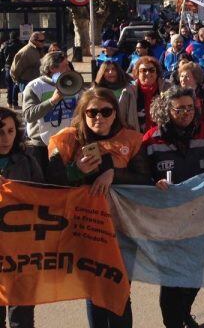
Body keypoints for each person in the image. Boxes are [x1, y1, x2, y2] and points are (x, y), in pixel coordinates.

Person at [48, 88, 148, 327]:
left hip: (122, 229)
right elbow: (50, 184)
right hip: (83, 228)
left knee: (120, 290)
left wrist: (115, 174)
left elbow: (145, 178)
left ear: (115, 113)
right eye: (92, 112)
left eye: (106, 111)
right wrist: (76, 171)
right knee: (94, 291)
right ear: (82, 114)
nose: (99, 118)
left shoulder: (131, 139)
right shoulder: (66, 139)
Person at [142, 86, 204, 328]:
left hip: (200, 218)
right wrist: (152, 183)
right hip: (165, 223)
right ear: (166, 110)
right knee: (170, 280)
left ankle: (184, 312)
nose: (186, 113)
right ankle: (173, 322)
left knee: (196, 274)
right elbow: (140, 175)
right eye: (179, 109)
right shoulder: (150, 139)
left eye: (190, 108)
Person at [0, 106, 44, 328]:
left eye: (10, 131)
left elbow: (44, 198)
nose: (6, 138)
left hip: (22, 254)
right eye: (0, 132)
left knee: (22, 319)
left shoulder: (27, 160)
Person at [21, 51, 83, 172]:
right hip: (42, 145)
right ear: (52, 68)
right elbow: (28, 115)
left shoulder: (72, 82)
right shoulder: (34, 87)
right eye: (65, 66)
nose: (69, 69)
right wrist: (52, 101)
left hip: (67, 142)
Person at [127, 56, 170, 134]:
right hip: (136, 136)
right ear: (137, 74)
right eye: (143, 70)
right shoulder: (129, 91)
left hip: (162, 136)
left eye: (152, 70)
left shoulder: (168, 89)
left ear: (157, 73)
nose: (148, 73)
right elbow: (123, 117)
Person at [93, 61, 139, 131]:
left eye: (113, 69)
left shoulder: (130, 89)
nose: (110, 72)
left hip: (125, 129)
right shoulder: (95, 91)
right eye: (107, 70)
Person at [1, 32, 23, 108]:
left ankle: (9, 103)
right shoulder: (20, 45)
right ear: (17, 37)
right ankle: (15, 104)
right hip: (16, 68)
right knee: (15, 85)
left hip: (7, 67)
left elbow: (1, 57)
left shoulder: (5, 45)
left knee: (9, 86)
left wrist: (3, 66)